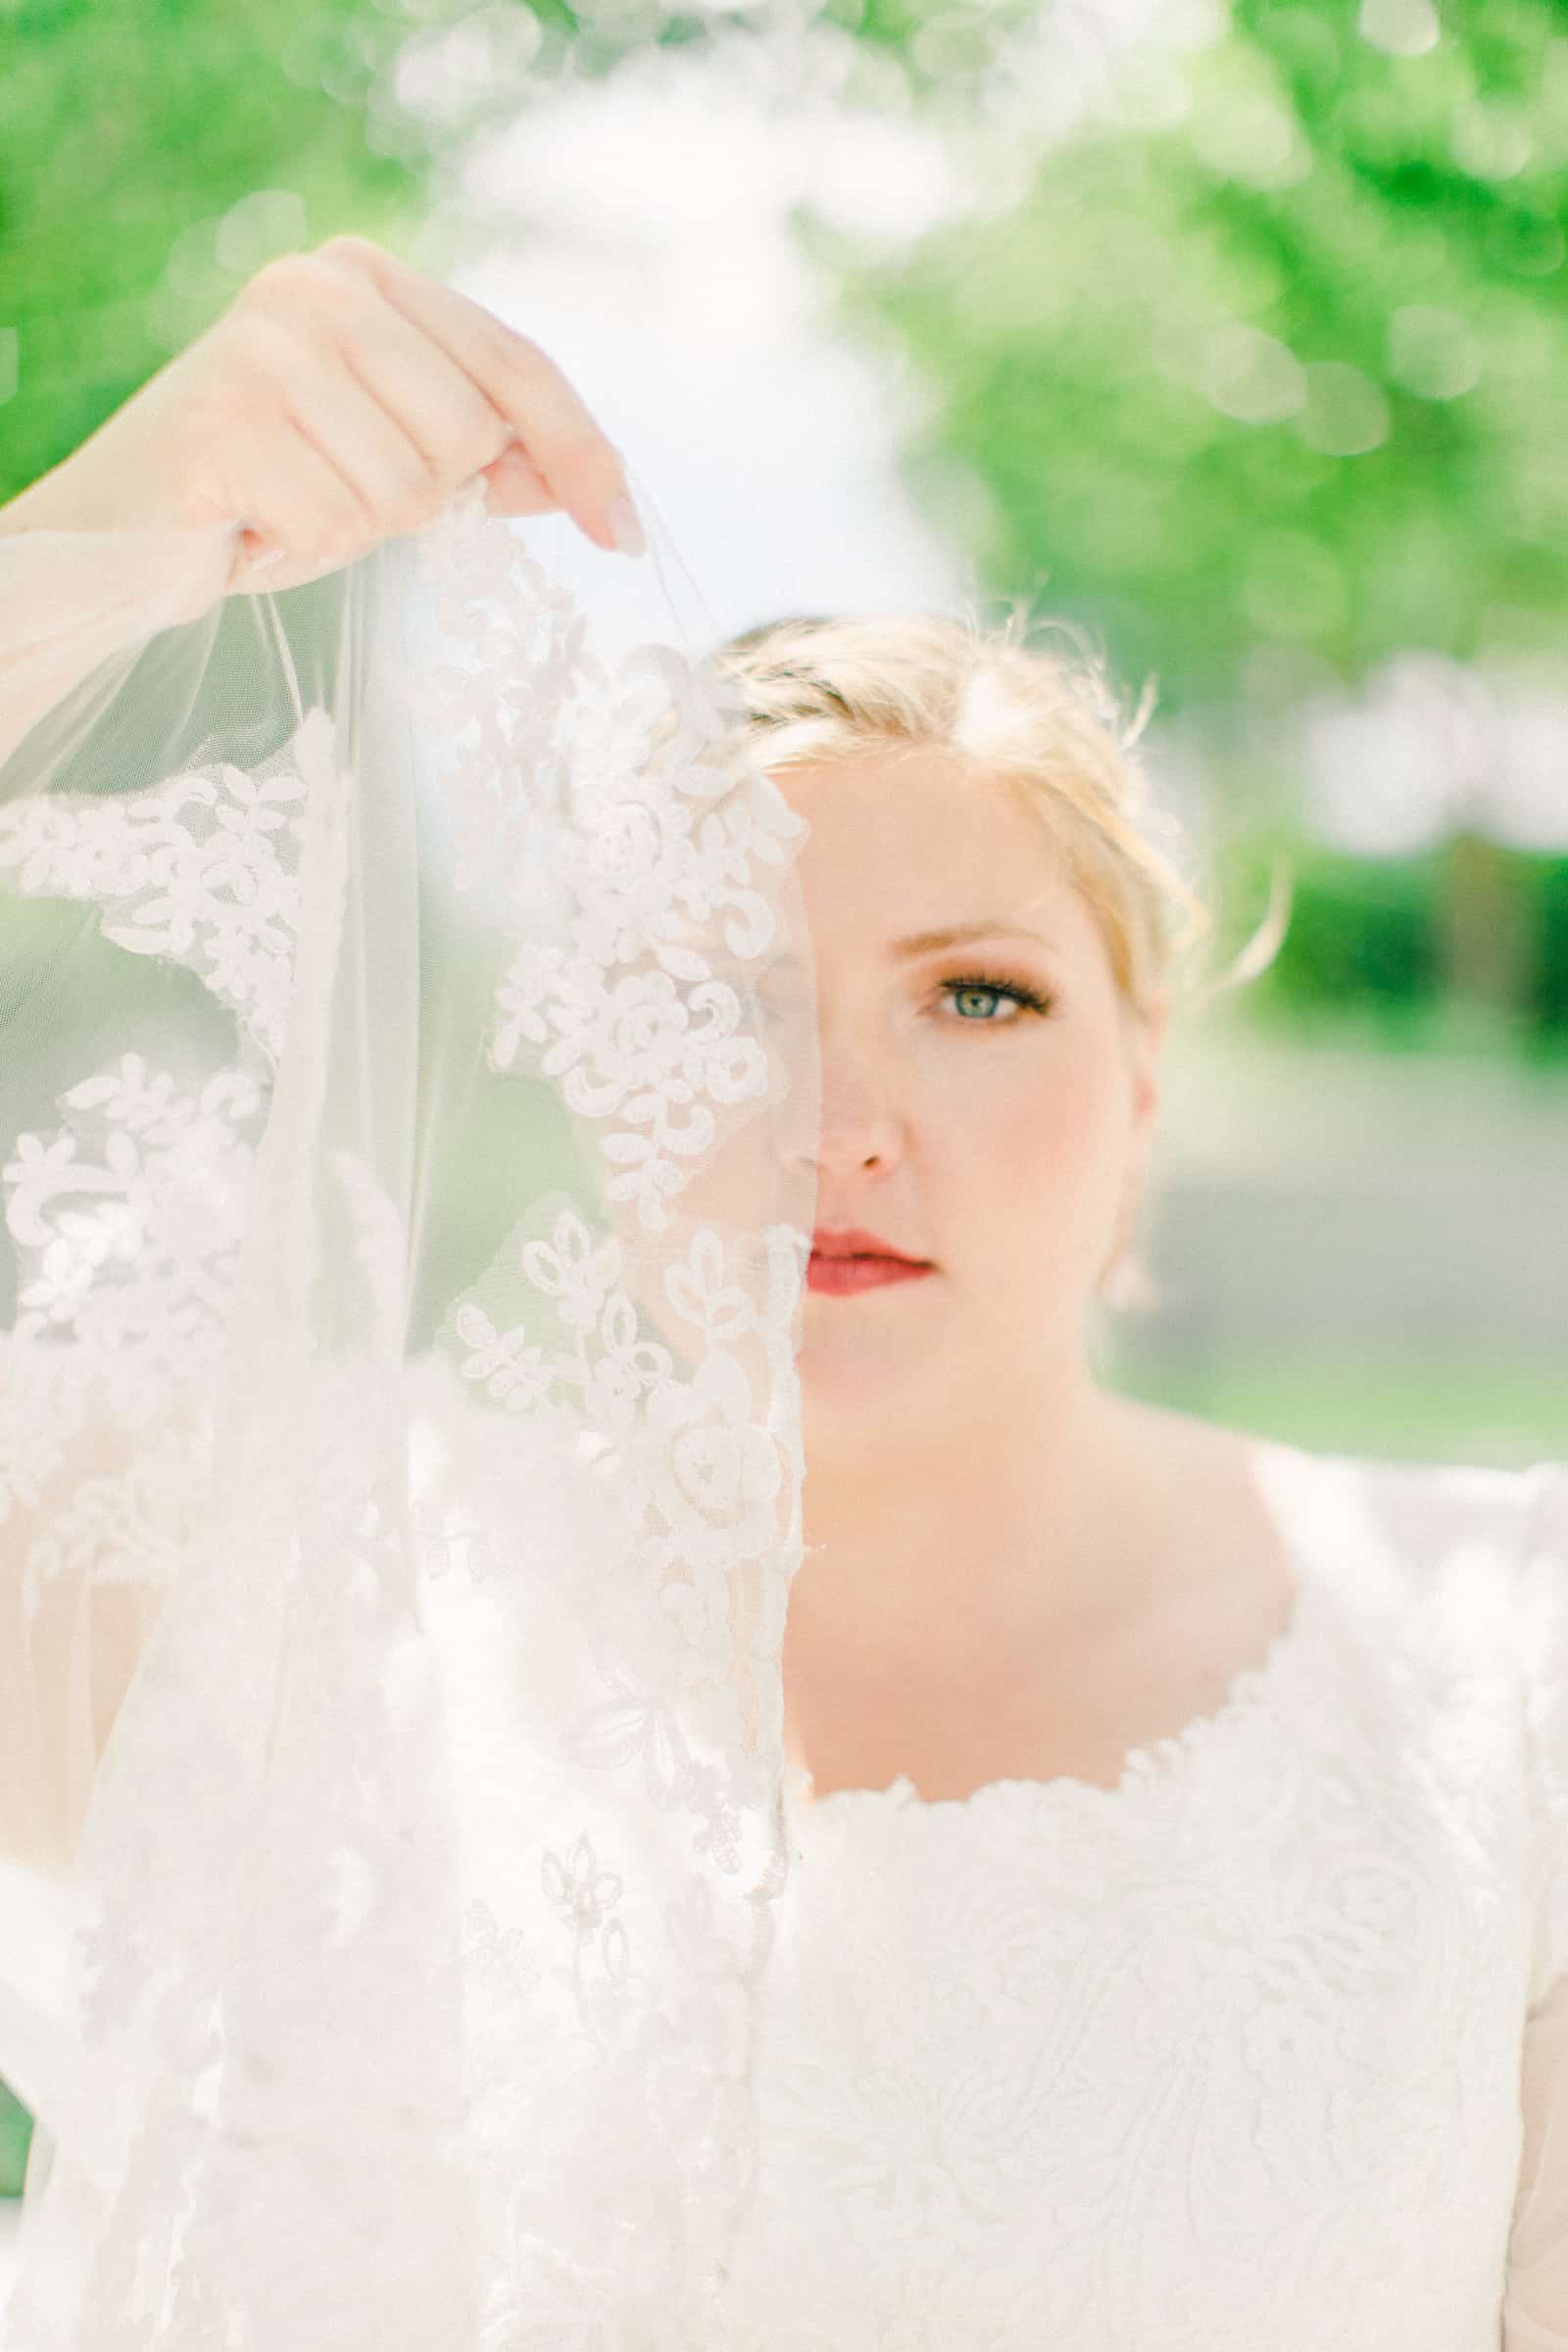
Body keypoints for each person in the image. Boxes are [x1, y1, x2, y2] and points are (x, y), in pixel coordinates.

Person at [0, 232, 1565, 2350]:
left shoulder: (1506, 1670)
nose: (838, 1121)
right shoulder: (281, 1608)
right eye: (714, 995)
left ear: (1141, 1096)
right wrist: (79, 548)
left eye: (979, 997)